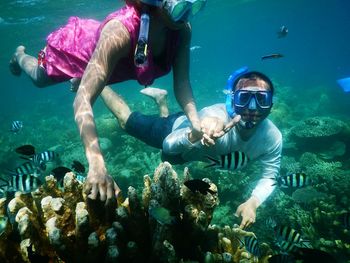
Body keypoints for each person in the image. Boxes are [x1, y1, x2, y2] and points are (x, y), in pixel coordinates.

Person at [9, 0, 207, 203]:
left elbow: (182, 83)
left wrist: (195, 121)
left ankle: (85, 76)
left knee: (76, 79)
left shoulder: (182, 30)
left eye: (197, 4)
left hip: (103, 62)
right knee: (39, 78)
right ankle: (20, 55)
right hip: (77, 49)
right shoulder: (120, 31)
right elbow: (82, 99)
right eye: (181, 6)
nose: (188, 13)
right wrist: (96, 164)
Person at [100, 67, 282, 228]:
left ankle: (161, 101)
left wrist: (253, 202)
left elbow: (270, 175)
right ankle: (97, 79)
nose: (252, 108)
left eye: (261, 99)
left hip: (189, 156)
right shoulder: (214, 115)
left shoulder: (272, 138)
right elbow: (169, 146)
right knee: (126, 122)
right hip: (175, 129)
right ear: (232, 101)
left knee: (167, 159)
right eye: (244, 98)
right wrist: (195, 133)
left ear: (271, 106)